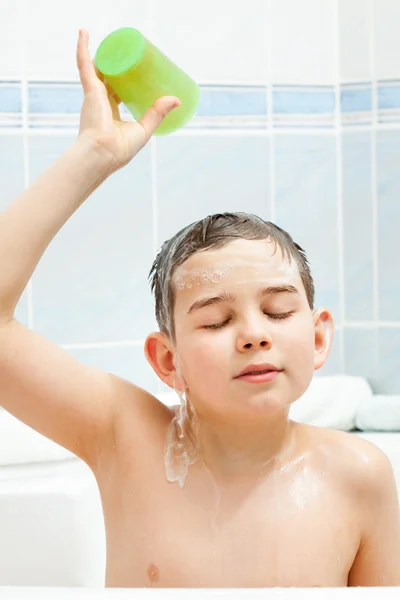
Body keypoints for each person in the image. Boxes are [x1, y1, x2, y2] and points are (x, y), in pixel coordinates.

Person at [0, 29, 399, 588]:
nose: (254, 335)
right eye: (216, 320)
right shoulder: (127, 439)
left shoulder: (360, 475)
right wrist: (91, 156)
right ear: (167, 361)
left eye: (279, 312)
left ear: (317, 337)